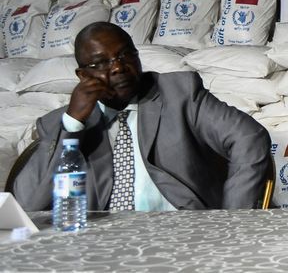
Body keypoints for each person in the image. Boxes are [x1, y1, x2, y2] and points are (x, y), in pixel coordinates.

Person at [13, 22, 272, 211]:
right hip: (100, 243)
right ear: (83, 76)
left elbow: (249, 137)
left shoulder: (179, 93)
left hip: (181, 234)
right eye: (101, 62)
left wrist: (233, 217)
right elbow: (27, 202)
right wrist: (73, 124)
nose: (118, 67)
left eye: (125, 55)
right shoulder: (62, 124)